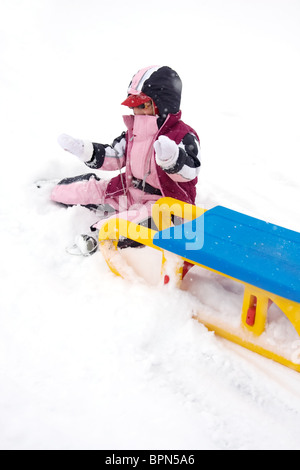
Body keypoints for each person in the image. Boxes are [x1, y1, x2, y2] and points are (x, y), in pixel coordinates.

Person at [52, 65, 201, 251]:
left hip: (164, 206)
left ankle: (98, 239)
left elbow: (190, 172)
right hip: (129, 190)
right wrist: (85, 151)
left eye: (142, 105)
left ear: (162, 104)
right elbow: (115, 156)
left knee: (134, 225)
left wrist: (173, 160)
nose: (136, 111)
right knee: (89, 191)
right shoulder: (133, 131)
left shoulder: (183, 136)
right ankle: (54, 188)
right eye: (134, 105)